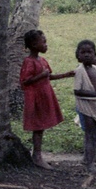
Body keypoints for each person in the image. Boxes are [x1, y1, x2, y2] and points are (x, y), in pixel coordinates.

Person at [20, 30, 73, 169]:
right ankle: (37, 156)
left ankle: (37, 154)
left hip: (44, 95)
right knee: (38, 127)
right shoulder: (29, 62)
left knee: (41, 127)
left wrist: (66, 75)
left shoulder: (42, 60)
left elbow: (49, 76)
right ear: (33, 44)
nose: (46, 45)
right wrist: (41, 75)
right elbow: (25, 81)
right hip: (35, 98)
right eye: (43, 42)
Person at [73, 39, 96, 176]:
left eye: (90, 52)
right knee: (90, 135)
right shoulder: (79, 71)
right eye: (83, 52)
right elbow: (77, 91)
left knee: (94, 135)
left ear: (95, 54)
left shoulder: (95, 69)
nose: (87, 55)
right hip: (86, 107)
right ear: (78, 55)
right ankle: (89, 165)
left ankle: (91, 159)